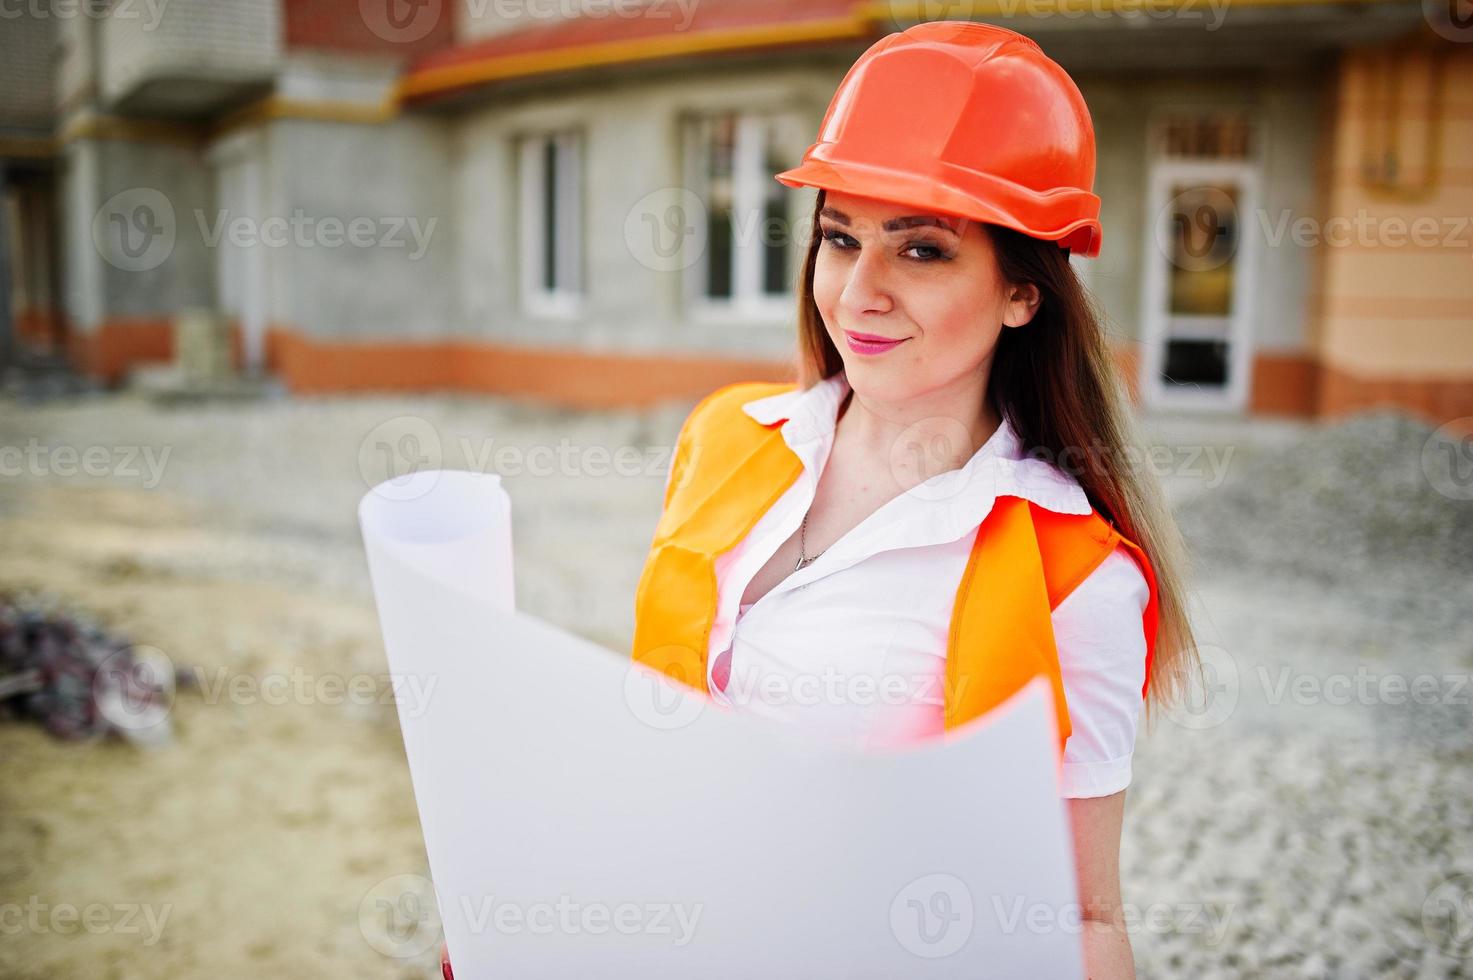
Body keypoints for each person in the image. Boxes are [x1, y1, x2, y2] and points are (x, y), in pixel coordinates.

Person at [447, 20, 1198, 979]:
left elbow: (1083, 918)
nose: (857, 294)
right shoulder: (729, 437)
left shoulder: (1073, 575)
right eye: (839, 239)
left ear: (1024, 291)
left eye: (921, 251)